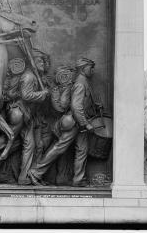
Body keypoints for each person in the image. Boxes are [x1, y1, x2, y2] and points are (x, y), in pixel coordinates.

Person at [28, 57, 97, 187]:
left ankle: (78, 179)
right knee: (59, 148)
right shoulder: (80, 84)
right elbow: (76, 107)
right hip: (76, 123)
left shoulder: (83, 82)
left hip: (79, 123)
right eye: (90, 67)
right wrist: (85, 124)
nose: (92, 70)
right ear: (83, 68)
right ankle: (36, 172)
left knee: (82, 150)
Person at [16, 50, 50, 185]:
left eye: (43, 61)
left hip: (35, 116)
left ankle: (34, 175)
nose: (43, 63)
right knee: (29, 146)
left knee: (39, 146)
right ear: (33, 62)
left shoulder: (37, 77)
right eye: (40, 61)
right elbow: (26, 95)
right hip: (25, 115)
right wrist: (43, 93)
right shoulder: (29, 77)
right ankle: (23, 177)